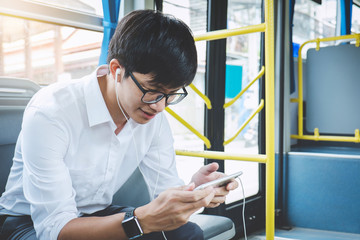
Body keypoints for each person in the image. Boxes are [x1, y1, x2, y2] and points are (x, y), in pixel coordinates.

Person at [0, 10, 238, 240]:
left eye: (171, 94)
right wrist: (141, 220)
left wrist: (195, 191)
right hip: (27, 221)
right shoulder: (51, 112)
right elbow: (56, 231)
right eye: (153, 91)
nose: (160, 106)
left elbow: (164, 193)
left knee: (186, 233)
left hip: (96, 212)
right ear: (116, 70)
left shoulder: (152, 117)